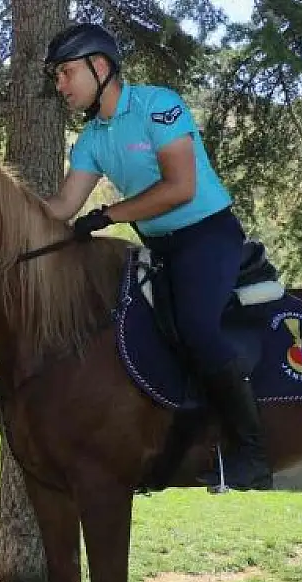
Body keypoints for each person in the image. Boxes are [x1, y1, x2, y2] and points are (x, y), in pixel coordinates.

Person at [40, 22, 272, 491]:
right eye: (56, 76)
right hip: (161, 247)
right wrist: (7, 217)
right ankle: (173, 445)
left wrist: (107, 216)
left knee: (197, 328)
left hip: (208, 236)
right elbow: (63, 207)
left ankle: (252, 455)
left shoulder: (158, 106)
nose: (60, 85)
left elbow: (180, 187)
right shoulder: (92, 139)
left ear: (99, 66)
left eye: (65, 72)